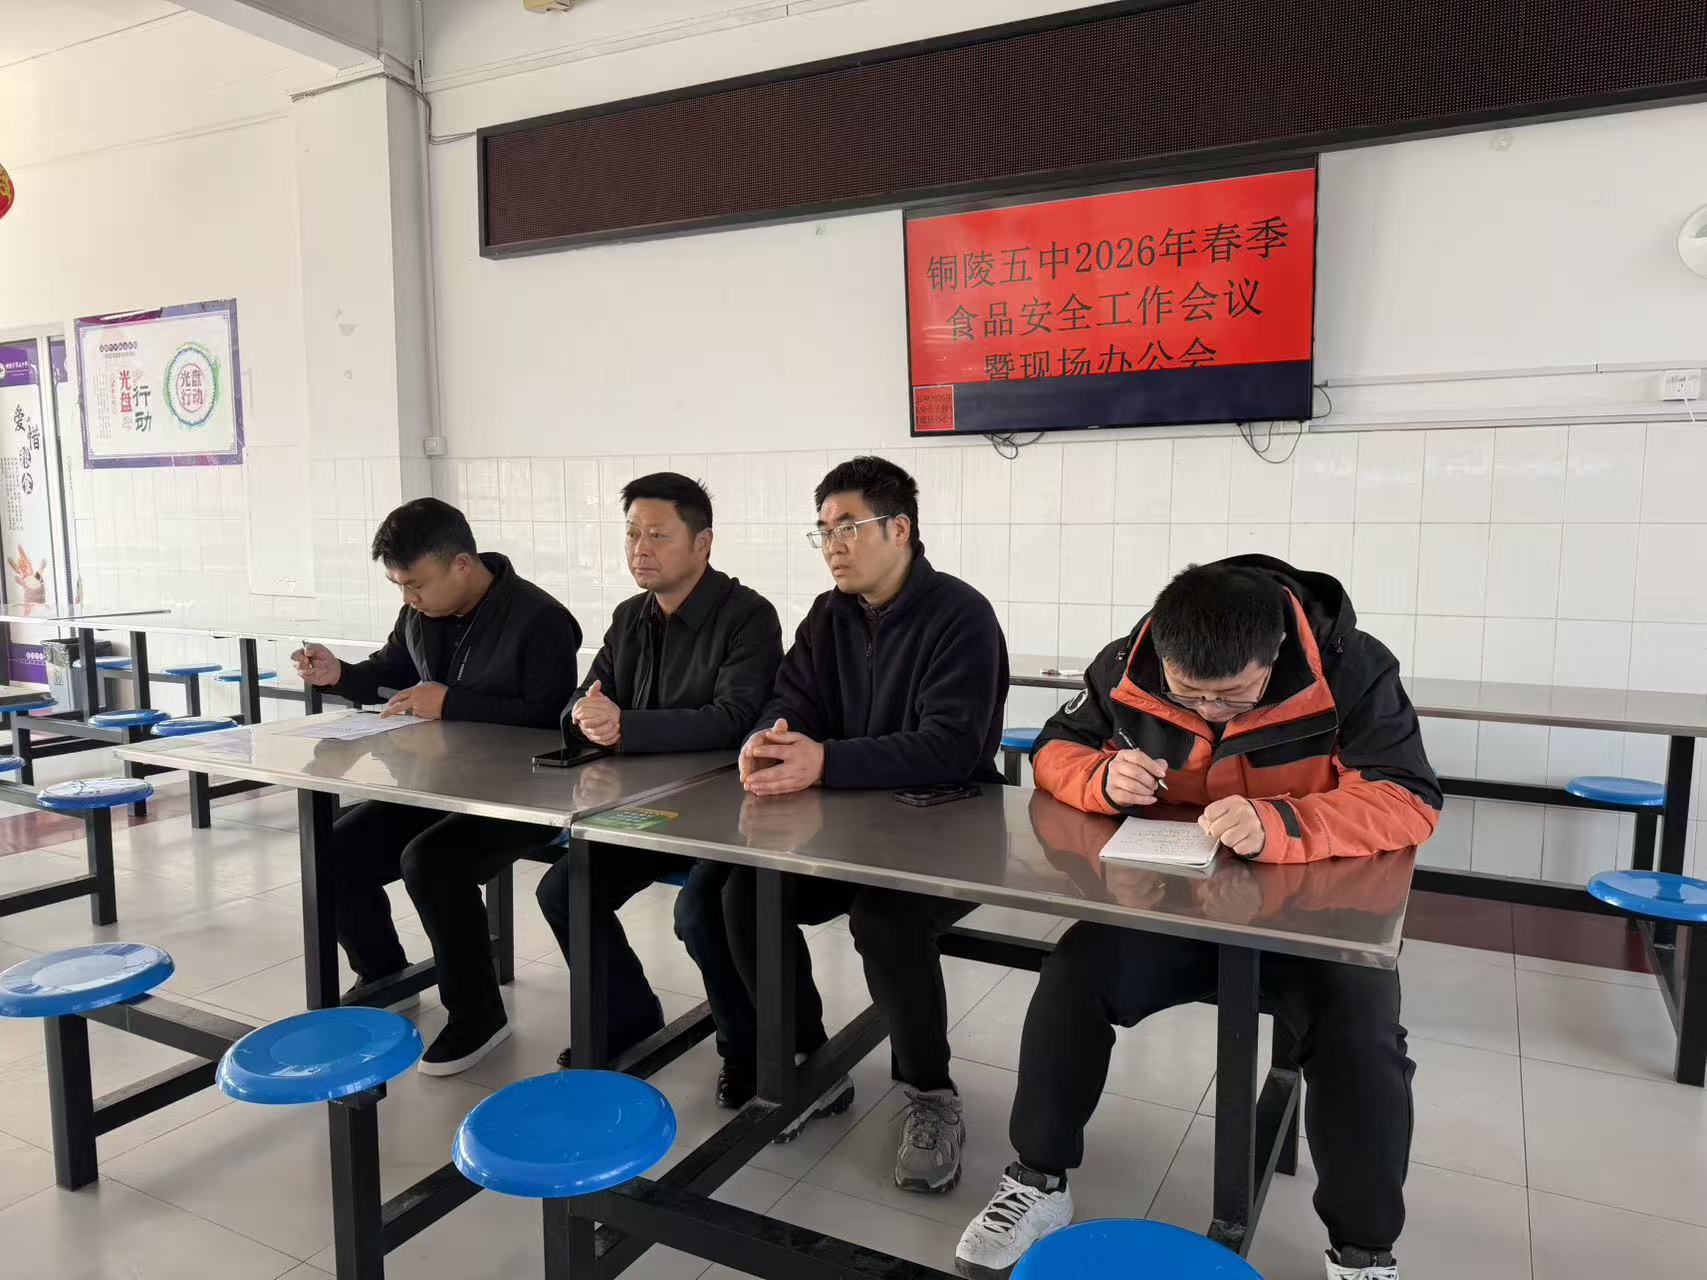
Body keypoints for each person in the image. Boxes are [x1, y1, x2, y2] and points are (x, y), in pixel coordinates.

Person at [955, 555, 1441, 1280]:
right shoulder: (1126, 664)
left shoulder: (1353, 669)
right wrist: (1100, 778)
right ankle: (1037, 1179)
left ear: (1274, 652)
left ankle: (1363, 1252)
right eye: (1190, 695)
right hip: (1174, 902)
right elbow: (1057, 748)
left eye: (1234, 696)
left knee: (1361, 1041)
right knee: (1073, 976)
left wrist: (1282, 822)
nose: (1211, 712)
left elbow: (1406, 797)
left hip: (1317, 916)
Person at [725, 456, 1008, 1185]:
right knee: (744, 892)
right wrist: (768, 738)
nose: (833, 546)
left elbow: (950, 746)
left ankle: (930, 1093)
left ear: (899, 528)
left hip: (947, 821)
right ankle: (809, 1063)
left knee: (885, 919)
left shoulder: (961, 615)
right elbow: (791, 701)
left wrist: (825, 761)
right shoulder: (827, 617)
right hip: (849, 821)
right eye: (822, 531)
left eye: (847, 527)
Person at [293, 498, 581, 1076]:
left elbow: (551, 717)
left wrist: (451, 702)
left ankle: (479, 1015)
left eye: (416, 584)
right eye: (399, 586)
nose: (409, 598)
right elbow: (390, 672)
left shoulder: (541, 620)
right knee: (334, 848)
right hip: (438, 785)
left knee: (432, 863)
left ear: (462, 565)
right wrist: (339, 674)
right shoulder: (419, 616)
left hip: (523, 794)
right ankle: (385, 976)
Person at [536, 473, 782, 1105]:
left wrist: (627, 727)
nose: (640, 548)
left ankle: (746, 1047)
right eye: (631, 534)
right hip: (644, 810)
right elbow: (585, 695)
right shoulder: (630, 617)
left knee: (701, 913)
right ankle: (628, 1015)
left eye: (657, 535)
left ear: (702, 543)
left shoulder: (748, 616)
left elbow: (735, 718)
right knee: (564, 889)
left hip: (724, 812)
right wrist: (585, 715)